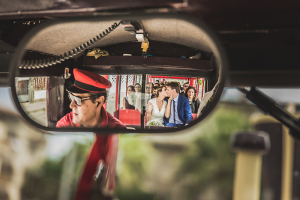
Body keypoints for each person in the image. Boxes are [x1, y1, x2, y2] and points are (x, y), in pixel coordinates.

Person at [56, 68, 126, 199]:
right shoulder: (64, 124)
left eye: (77, 100)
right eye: (71, 97)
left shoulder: (117, 131)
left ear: (99, 101)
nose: (71, 105)